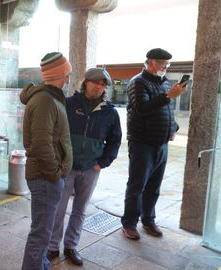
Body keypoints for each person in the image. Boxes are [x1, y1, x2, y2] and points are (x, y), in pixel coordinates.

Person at [47, 68, 122, 265]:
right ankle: (52, 246)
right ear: (86, 82)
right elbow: (55, 131)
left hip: (90, 169)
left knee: (80, 209)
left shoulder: (110, 113)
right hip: (67, 167)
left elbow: (115, 141)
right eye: (96, 82)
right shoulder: (69, 104)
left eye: (103, 84)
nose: (99, 86)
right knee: (59, 208)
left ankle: (71, 245)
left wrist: (102, 163)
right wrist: (58, 157)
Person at [122, 48, 187, 240]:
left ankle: (148, 220)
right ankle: (129, 223)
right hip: (142, 143)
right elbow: (142, 109)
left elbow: (166, 111)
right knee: (137, 185)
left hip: (161, 143)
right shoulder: (137, 82)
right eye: (161, 64)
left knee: (154, 186)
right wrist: (168, 96)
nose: (165, 68)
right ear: (150, 62)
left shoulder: (165, 83)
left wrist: (172, 128)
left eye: (167, 65)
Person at [20, 52, 73, 270]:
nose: (69, 78)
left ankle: (41, 265)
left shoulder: (50, 97)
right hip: (45, 177)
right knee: (41, 233)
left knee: (44, 231)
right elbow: (42, 143)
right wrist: (55, 173)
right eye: (67, 73)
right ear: (61, 74)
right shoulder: (45, 100)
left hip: (47, 176)